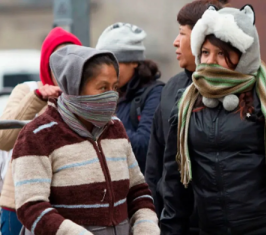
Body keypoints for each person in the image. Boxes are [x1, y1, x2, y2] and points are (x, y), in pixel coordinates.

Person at [160, 5, 266, 235]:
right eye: (205, 53)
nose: (211, 61)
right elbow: (175, 181)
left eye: (222, 54)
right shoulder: (187, 103)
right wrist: (171, 229)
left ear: (243, 55)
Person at [12, 45, 159, 235]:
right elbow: (31, 207)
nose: (111, 96)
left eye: (115, 87)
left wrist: (146, 228)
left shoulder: (116, 128)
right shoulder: (37, 135)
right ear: (75, 88)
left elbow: (138, 190)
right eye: (103, 87)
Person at [145, 0, 228, 219]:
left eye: (182, 34)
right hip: (176, 218)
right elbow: (155, 162)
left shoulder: (239, 91)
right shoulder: (171, 89)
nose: (175, 42)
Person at [0, 27, 82, 235]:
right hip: (19, 204)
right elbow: (3, 139)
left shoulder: (86, 98)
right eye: (58, 60)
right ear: (47, 64)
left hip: (70, 204)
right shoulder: (27, 90)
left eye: (72, 60)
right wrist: (37, 99)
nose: (65, 67)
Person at [96, 23, 164, 174]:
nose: (107, 71)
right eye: (102, 65)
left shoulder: (155, 94)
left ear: (134, 61)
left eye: (114, 63)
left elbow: (145, 146)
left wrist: (104, 120)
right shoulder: (106, 93)